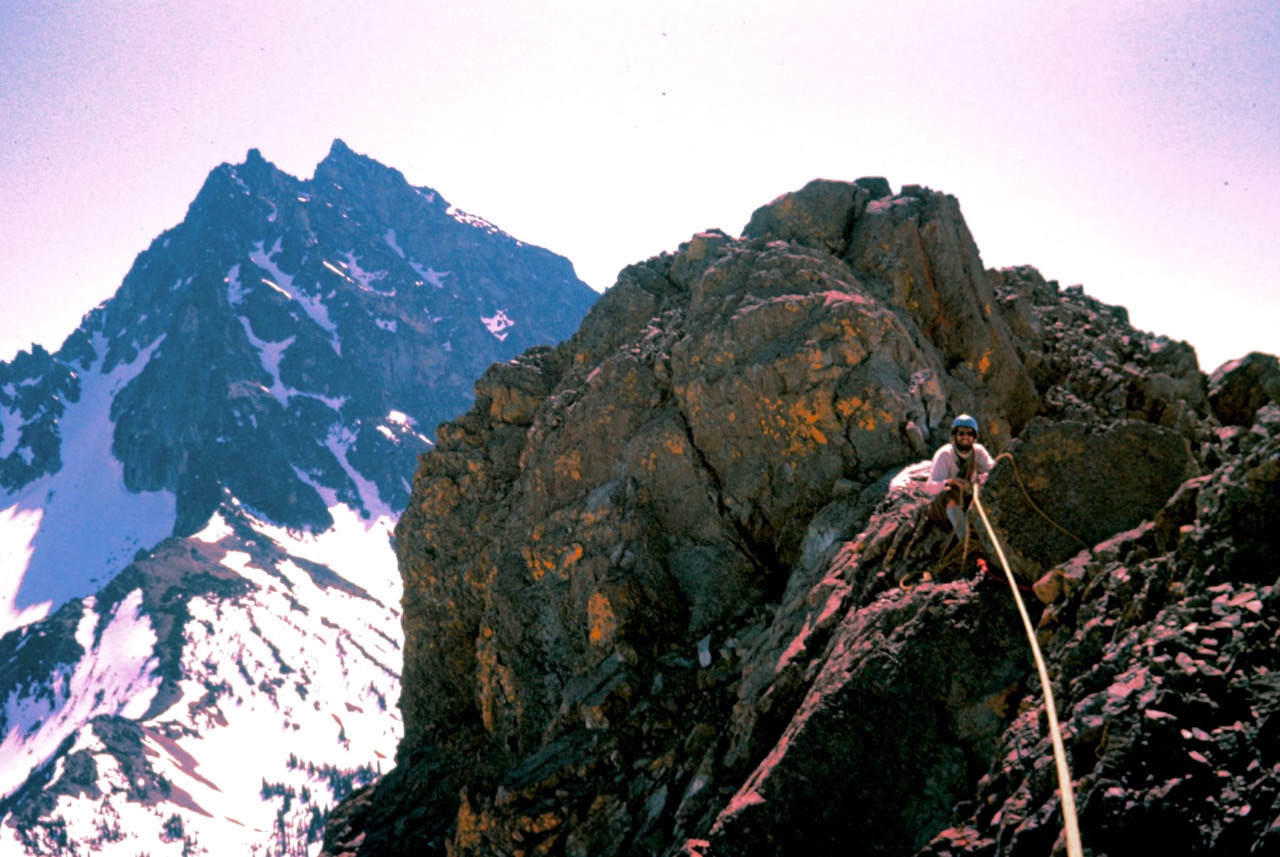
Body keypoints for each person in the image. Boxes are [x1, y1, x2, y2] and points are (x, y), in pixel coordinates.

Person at [924, 414, 994, 543]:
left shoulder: (978, 452)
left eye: (970, 434)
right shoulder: (944, 454)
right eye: (961, 433)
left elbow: (993, 471)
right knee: (951, 493)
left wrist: (978, 482)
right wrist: (950, 482)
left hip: (968, 497)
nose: (965, 437)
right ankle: (964, 541)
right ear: (954, 435)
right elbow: (930, 487)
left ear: (974, 437)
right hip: (943, 507)